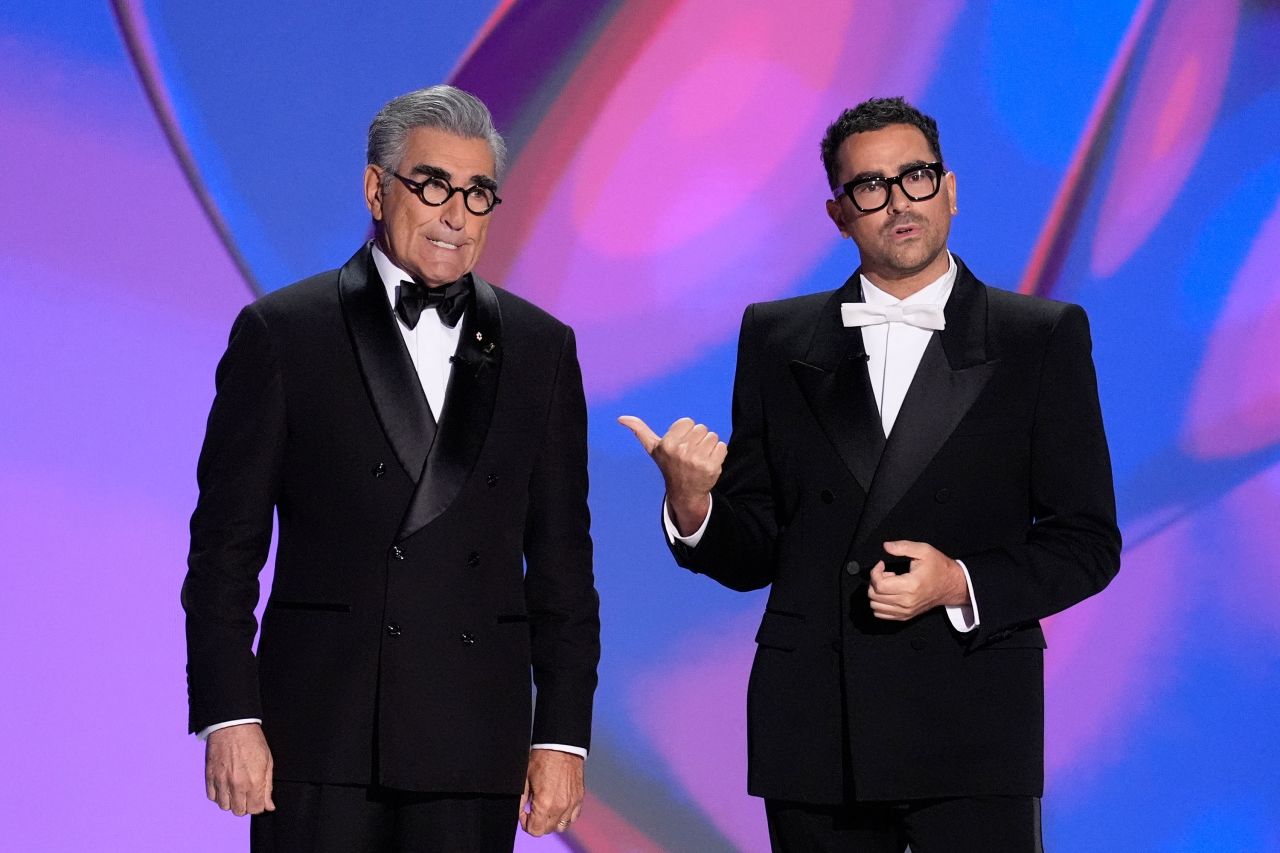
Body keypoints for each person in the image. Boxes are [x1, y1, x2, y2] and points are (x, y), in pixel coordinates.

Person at [620, 96, 1120, 851]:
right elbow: (757, 546)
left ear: (949, 189)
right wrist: (694, 505)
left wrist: (959, 582)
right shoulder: (776, 336)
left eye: (915, 177)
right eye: (870, 187)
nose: (898, 202)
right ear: (838, 212)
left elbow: (1087, 539)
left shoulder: (1040, 338)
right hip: (818, 728)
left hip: (973, 722)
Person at [184, 84, 600, 852]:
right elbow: (224, 549)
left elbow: (563, 562)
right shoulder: (284, 333)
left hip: (473, 733)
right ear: (377, 188)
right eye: (434, 184)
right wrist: (230, 714)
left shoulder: (543, 348)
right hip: (319, 734)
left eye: (478, 194)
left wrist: (563, 735)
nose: (456, 214)